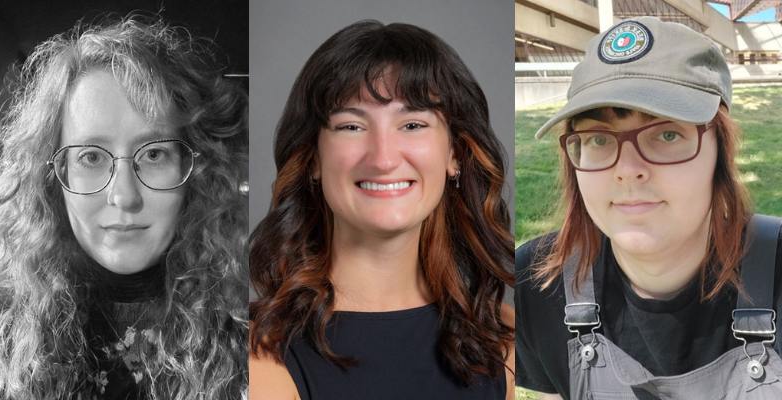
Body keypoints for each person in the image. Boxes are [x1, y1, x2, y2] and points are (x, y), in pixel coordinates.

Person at [516, 16, 782, 400]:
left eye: (667, 133)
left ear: (720, 150)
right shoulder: (534, 286)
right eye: (598, 138)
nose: (627, 171)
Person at [0, 16, 249, 399]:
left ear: (195, 169)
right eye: (91, 157)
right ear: (55, 179)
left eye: (154, 154)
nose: (124, 196)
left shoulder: (254, 323)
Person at [248, 20, 515, 400]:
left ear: (454, 153)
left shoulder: (507, 341)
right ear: (313, 159)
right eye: (351, 126)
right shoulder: (259, 354)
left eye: (412, 124)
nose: (384, 159)